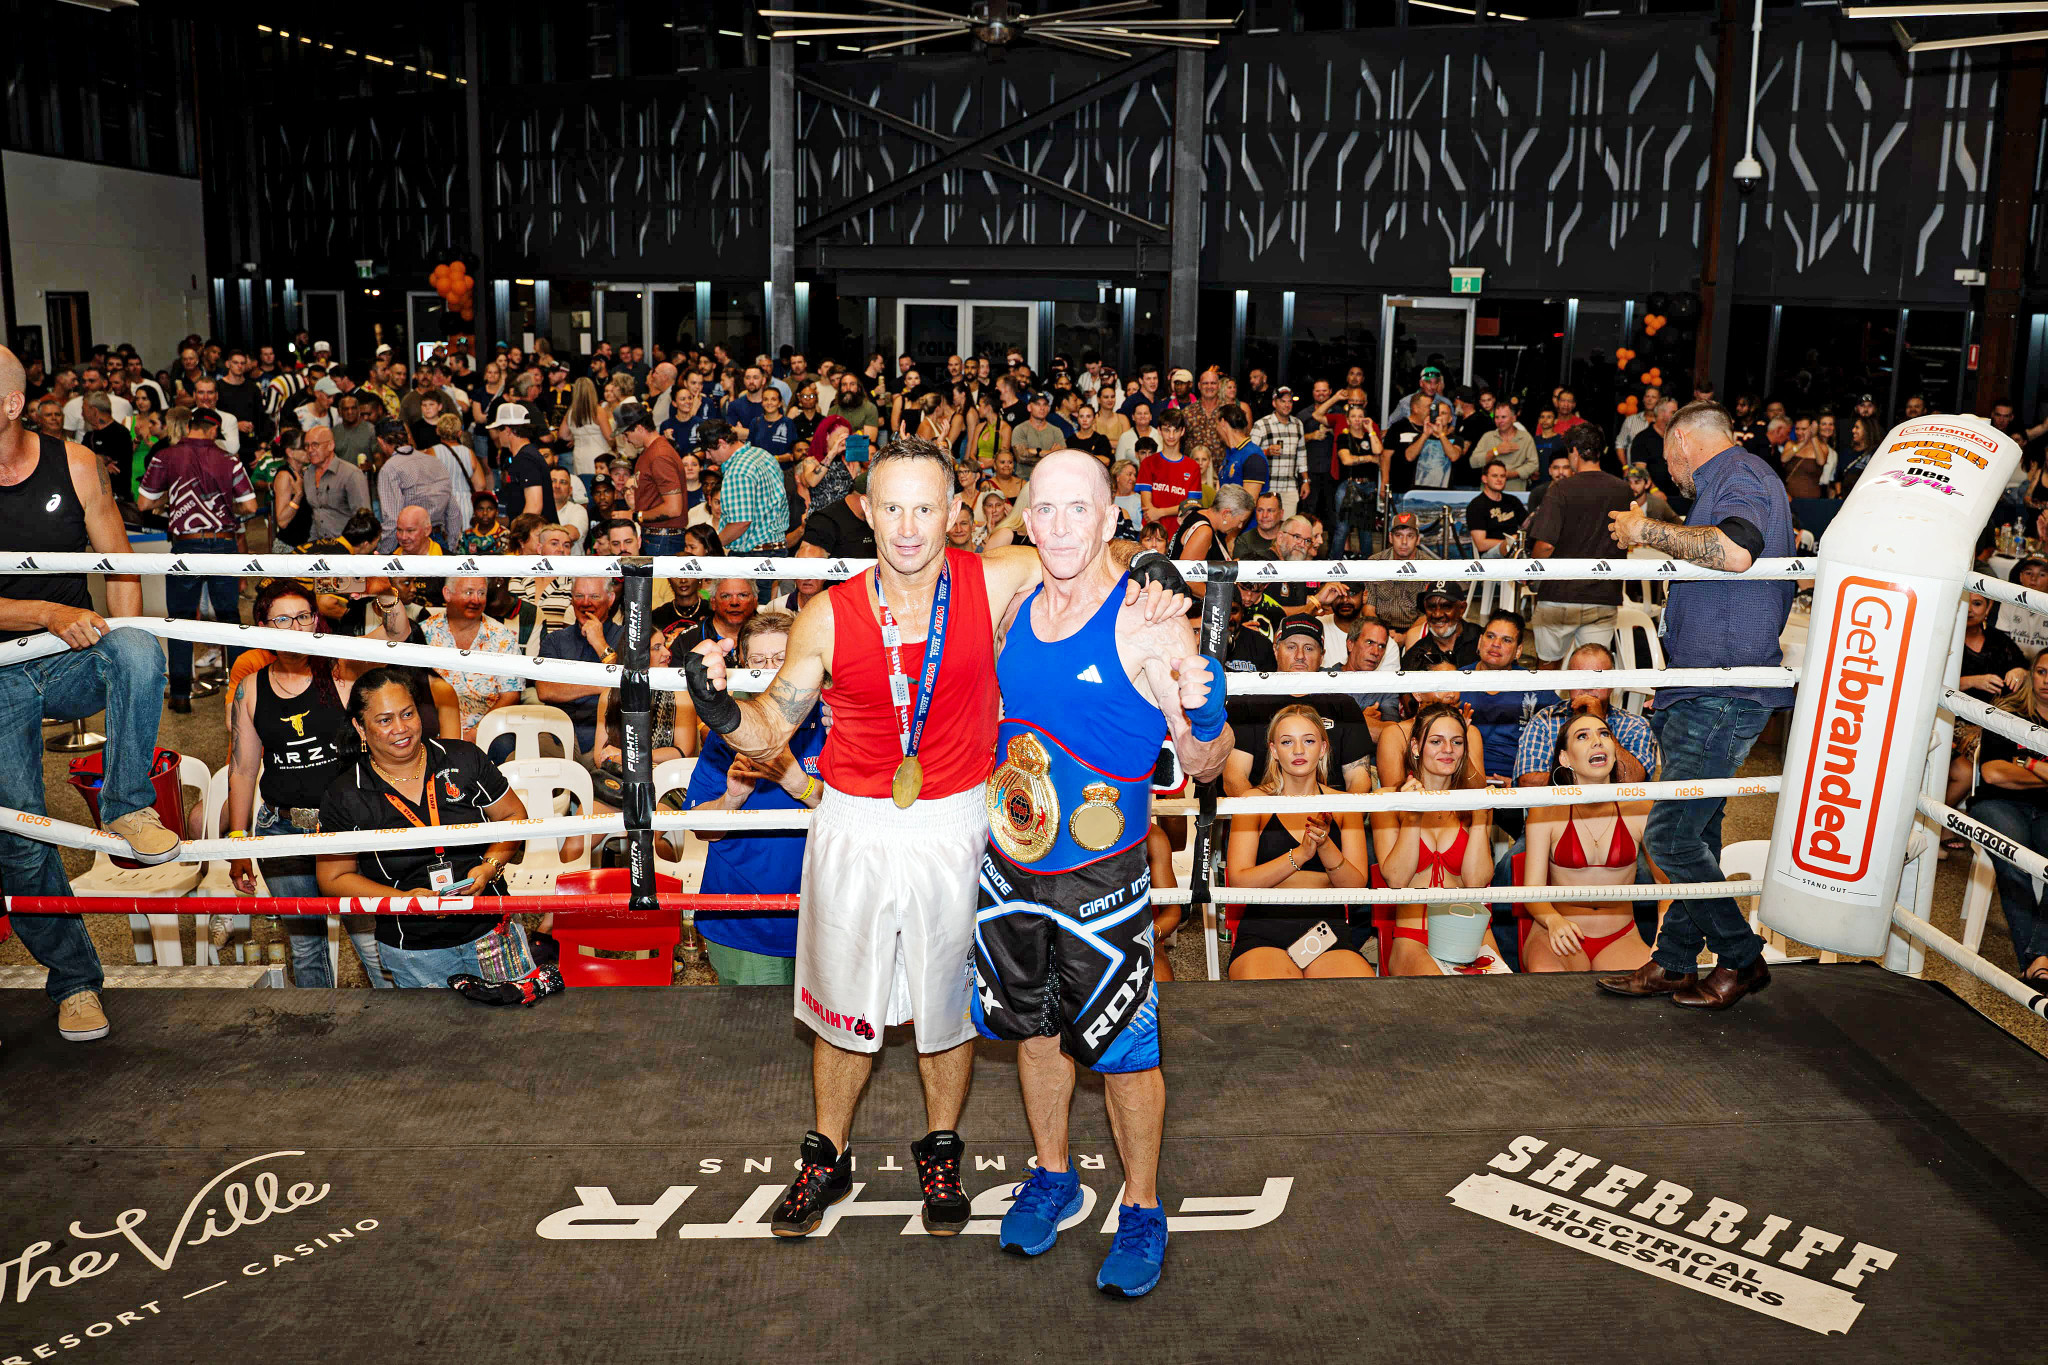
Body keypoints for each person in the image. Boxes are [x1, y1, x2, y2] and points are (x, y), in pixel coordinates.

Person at [682, 436, 1184, 1241]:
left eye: (926, 507)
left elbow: (1079, 546)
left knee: (948, 1007)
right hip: (855, 820)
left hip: (959, 819)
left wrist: (1151, 561)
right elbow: (773, 722)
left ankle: (942, 1148)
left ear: (953, 512)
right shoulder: (829, 614)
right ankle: (826, 1151)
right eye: (892, 508)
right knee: (843, 1005)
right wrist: (717, 706)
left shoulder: (995, 577)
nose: (909, 527)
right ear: (867, 512)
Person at [973, 449, 1229, 1297]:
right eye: (1042, 510)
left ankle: (1144, 1203)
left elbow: (1203, 758)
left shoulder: (1149, 621)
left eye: (1076, 510)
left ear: (1112, 515)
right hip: (1011, 868)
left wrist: (1208, 706)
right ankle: (1053, 1172)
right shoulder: (1012, 596)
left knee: (1125, 1050)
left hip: (1102, 881)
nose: (1058, 528)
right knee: (1035, 1031)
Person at [0, 346, 178, 1044]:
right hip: (4, 670)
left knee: (138, 646)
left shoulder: (74, 464)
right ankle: (75, 982)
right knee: (19, 839)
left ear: (11, 405)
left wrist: (121, 637)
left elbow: (120, 570)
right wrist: (43, 612)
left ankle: (128, 801)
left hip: (73, 657)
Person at [1600, 401, 1794, 1010]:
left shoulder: (1741, 478)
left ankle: (1743, 958)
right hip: (1704, 685)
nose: (1668, 468)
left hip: (1722, 690)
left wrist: (1643, 533)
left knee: (1671, 838)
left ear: (1683, 440)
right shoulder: (1732, 481)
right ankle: (1676, 960)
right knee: (1698, 833)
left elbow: (1736, 552)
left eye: (1666, 453)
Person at [314, 667, 536, 989]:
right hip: (414, 948)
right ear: (360, 728)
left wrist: (489, 867)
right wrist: (402, 900)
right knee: (436, 1036)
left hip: (491, 927)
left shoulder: (462, 758)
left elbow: (513, 814)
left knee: (517, 1025)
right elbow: (333, 878)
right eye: (384, 720)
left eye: (408, 714)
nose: (401, 728)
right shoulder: (346, 794)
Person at [224, 582, 391, 989]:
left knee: (371, 943)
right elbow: (242, 770)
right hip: (282, 830)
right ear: (262, 626)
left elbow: (397, 636)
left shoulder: (340, 670)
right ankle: (320, 1042)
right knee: (305, 948)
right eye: (282, 619)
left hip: (345, 828)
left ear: (316, 621)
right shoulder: (250, 688)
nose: (295, 628)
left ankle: (400, 1035)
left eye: (303, 617)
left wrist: (387, 596)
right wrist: (237, 842)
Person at [685, 608, 826, 984]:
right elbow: (701, 829)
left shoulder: (835, 722)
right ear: (743, 665)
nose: (769, 670)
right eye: (758, 661)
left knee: (827, 1037)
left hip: (825, 917)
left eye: (781, 660)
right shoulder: (730, 729)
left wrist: (801, 784)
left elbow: (868, 815)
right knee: (751, 1038)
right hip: (744, 916)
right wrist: (732, 799)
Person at [1223, 705, 1373, 980]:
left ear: (1324, 748)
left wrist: (1325, 845)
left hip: (1327, 927)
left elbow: (1356, 887)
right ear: (1273, 750)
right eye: (1287, 742)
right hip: (1264, 927)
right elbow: (1239, 881)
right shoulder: (1252, 802)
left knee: (1356, 1000)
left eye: (1309, 740)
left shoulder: (1344, 805)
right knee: (1274, 1003)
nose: (1299, 750)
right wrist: (1300, 855)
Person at [1372, 702, 1508, 976]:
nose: (1448, 750)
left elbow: (1476, 882)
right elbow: (1396, 880)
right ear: (1415, 747)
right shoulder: (1388, 801)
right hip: (1412, 937)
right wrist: (1412, 816)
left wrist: (1481, 815)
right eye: (1436, 741)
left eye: (1457, 742)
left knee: (1500, 999)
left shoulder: (1477, 803)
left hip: (1473, 934)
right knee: (1441, 994)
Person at [1517, 711, 1656, 974]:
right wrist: (1552, 920)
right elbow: (1531, 891)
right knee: (1553, 995)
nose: (1597, 741)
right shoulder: (1546, 810)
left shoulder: (1640, 807)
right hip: (1557, 934)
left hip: (1621, 937)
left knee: (1647, 1005)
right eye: (1583, 736)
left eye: (1604, 734)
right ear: (1565, 758)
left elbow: (1667, 886)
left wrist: (1662, 936)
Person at [137, 406, 255, 713]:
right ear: (214, 430)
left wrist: (172, 500)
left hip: (186, 547)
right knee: (231, 618)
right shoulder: (229, 460)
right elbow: (250, 504)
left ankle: (179, 694)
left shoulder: (167, 456)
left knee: (180, 619)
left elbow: (143, 502)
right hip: (223, 544)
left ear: (191, 425)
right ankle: (244, 689)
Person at [1966, 647, 2048, 985]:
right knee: (2014, 862)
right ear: (2032, 673)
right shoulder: (2008, 711)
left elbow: (2007, 768)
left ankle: (2037, 958)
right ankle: (2038, 962)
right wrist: (2039, 766)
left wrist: (2021, 764)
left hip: (2044, 809)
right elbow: (1993, 773)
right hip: (1997, 803)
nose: (2047, 681)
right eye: (2042, 672)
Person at [1523, 426, 1631, 667]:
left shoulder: (1561, 489)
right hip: (1604, 595)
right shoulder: (1623, 490)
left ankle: (1548, 706)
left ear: (1574, 451)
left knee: (1548, 668)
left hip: (1560, 593)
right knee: (1593, 674)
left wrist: (1531, 575)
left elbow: (1546, 545)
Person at [1512, 643, 1656, 786]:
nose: (1587, 687)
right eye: (1580, 678)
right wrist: (1591, 778)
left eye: (1597, 679)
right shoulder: (1545, 720)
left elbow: (1632, 781)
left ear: (1612, 683)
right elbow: (1529, 781)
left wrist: (1599, 722)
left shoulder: (1635, 725)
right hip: (1561, 808)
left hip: (1615, 808)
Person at [421, 576, 522, 741]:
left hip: (486, 731)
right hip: (431, 732)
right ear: (447, 594)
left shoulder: (502, 637)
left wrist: (476, 733)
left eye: (481, 593)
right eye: (469, 592)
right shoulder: (425, 632)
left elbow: (510, 696)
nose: (476, 600)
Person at [535, 577, 623, 761]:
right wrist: (600, 687)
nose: (585, 603)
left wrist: (601, 645)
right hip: (558, 735)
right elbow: (545, 690)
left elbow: (624, 687)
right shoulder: (555, 640)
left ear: (611, 599)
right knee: (523, 758)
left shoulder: (625, 637)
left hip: (608, 738)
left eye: (594, 596)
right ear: (571, 600)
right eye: (579, 596)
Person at [1458, 610, 1546, 784]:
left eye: (1506, 640)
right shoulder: (1456, 680)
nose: (1496, 644)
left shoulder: (1534, 684)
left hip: (1517, 784)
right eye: (1490, 636)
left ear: (1518, 651)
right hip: (1462, 778)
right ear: (1480, 641)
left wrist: (1519, 784)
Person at [698, 418, 789, 552]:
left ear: (722, 443)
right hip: (777, 547)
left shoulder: (738, 470)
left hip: (754, 555)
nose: (707, 456)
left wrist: (711, 548)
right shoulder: (763, 454)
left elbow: (740, 523)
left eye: (709, 451)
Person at [375, 418, 455, 550]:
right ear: (408, 436)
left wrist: (384, 553)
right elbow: (453, 511)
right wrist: (450, 548)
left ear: (380, 441)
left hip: (410, 542)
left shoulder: (389, 469)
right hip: (438, 539)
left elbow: (392, 519)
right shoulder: (434, 461)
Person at [1361, 511, 1437, 635]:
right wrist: (1382, 633)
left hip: (1415, 629)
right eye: (1399, 535)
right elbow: (1369, 608)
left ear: (1417, 539)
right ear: (1391, 538)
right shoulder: (1375, 562)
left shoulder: (1428, 566)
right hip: (1379, 627)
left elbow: (1428, 613)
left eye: (1410, 536)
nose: (1404, 542)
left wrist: (1406, 637)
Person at [489, 404, 556, 522]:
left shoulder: (526, 459)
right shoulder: (525, 456)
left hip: (536, 536)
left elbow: (534, 507)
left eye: (499, 429)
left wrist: (517, 535)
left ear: (508, 430)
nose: (497, 435)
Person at [1958, 591, 2026, 704]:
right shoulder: (1945, 640)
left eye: (1977, 604)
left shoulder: (1998, 639)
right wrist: (1972, 681)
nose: (1969, 609)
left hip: (1998, 712)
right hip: (1953, 715)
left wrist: (2021, 672)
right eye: (1963, 602)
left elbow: (2026, 669)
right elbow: (1932, 682)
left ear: (1988, 607)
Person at [1466, 460, 1526, 557]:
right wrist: (1510, 542)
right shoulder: (1476, 506)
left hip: (1516, 549)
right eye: (1495, 476)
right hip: (1490, 555)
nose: (1499, 479)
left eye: (1502, 476)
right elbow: (1481, 545)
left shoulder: (1513, 500)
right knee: (1510, 546)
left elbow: (1527, 525)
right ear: (1484, 479)